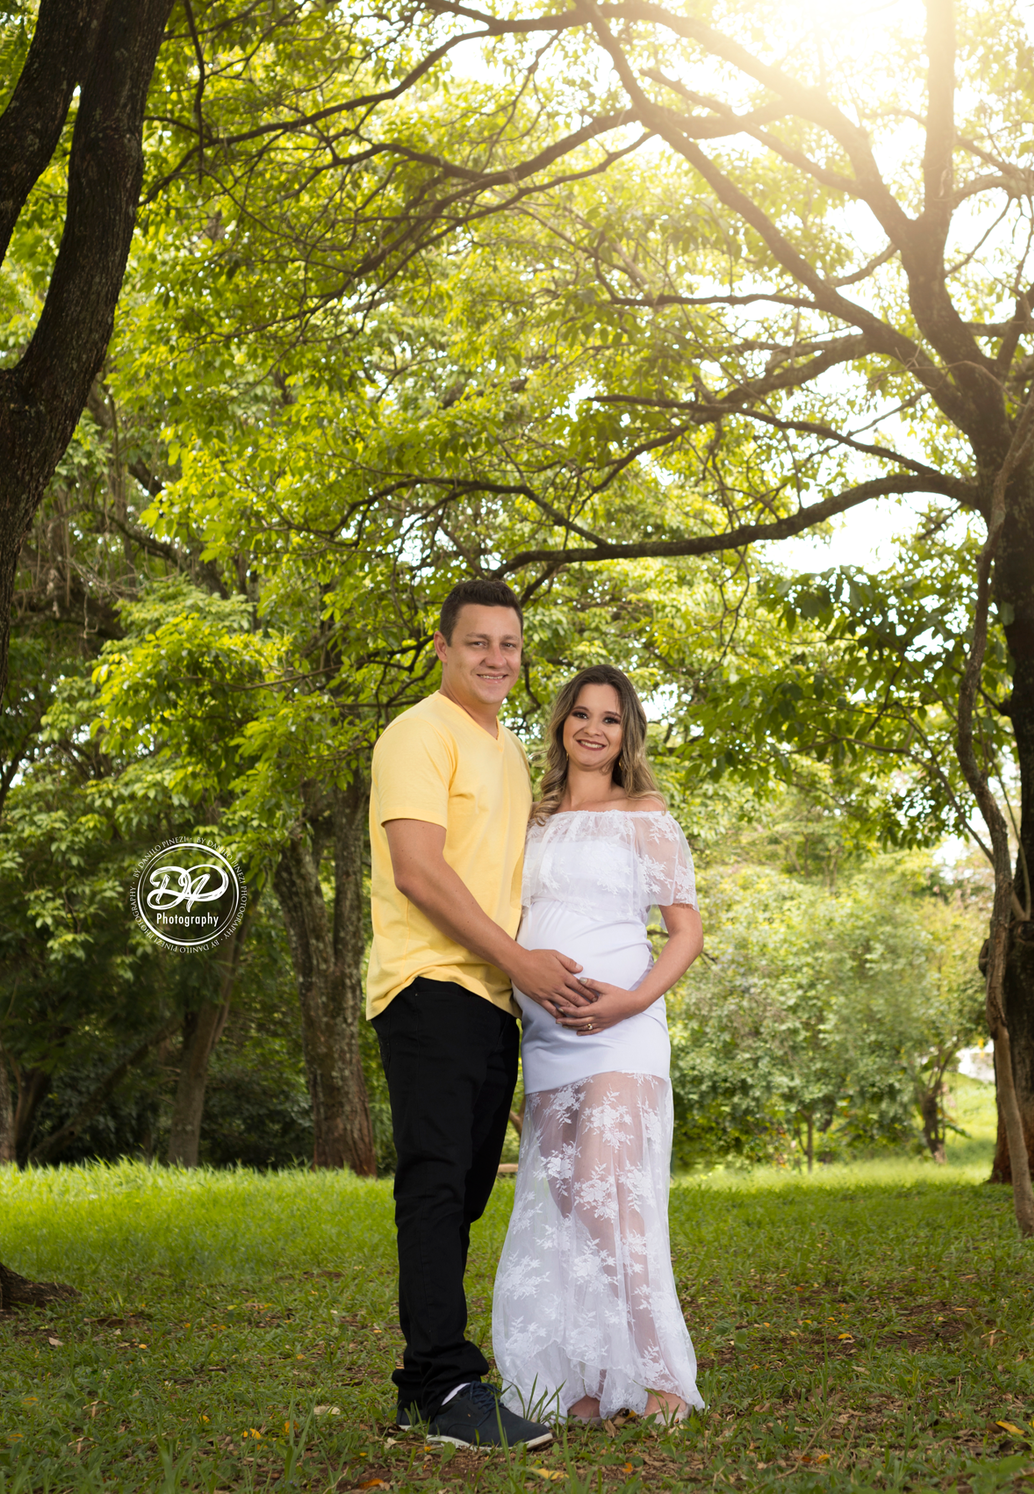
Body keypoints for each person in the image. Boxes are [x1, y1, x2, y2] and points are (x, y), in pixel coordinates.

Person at [366, 579, 598, 1452]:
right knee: (435, 1178)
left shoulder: (502, 751)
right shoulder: (418, 735)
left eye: (509, 644)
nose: (497, 658)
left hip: (493, 1000)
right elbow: (420, 873)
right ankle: (449, 1380)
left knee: (462, 1188)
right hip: (428, 985)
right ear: (442, 647)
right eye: (478, 643)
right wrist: (521, 964)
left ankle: (419, 1386)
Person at [492, 665, 705, 1427]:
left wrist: (632, 999)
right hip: (548, 1042)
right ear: (561, 725)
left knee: (611, 1198)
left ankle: (661, 1378)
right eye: (581, 714)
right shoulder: (532, 816)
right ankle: (584, 1380)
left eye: (609, 719)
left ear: (626, 734)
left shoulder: (646, 815)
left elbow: (686, 932)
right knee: (566, 1207)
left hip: (625, 1031)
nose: (593, 728)